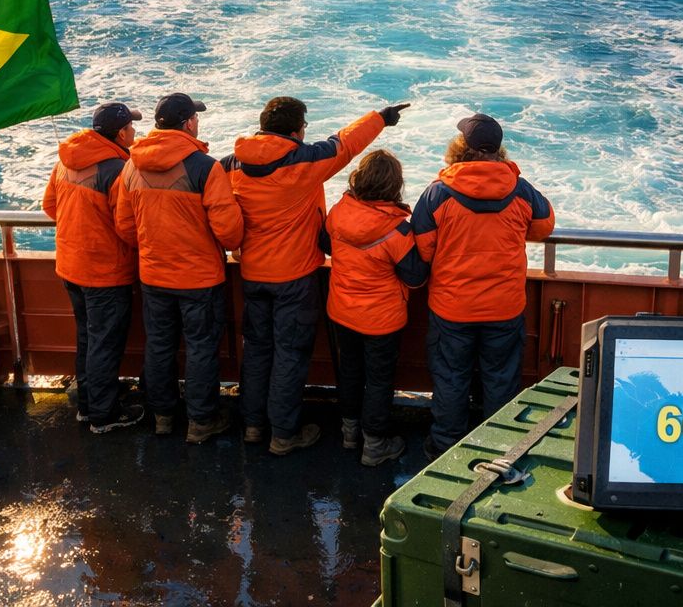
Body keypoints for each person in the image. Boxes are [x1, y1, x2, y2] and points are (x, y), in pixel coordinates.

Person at [221, 97, 407, 455]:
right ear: (296, 132)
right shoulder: (304, 161)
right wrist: (381, 118)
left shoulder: (231, 164)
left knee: (257, 351)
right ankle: (283, 434)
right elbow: (345, 144)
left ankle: (254, 426)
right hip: (295, 276)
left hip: (253, 274)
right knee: (290, 355)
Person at [412, 113, 555, 456]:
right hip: (504, 307)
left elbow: (424, 248)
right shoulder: (520, 189)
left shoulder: (438, 194)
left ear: (461, 147)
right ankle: (497, 449)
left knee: (451, 379)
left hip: (452, 308)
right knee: (501, 380)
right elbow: (543, 226)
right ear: (498, 149)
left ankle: (445, 448)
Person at [113, 93, 244, 444]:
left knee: (159, 345)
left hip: (154, 276)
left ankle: (163, 417)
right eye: (195, 118)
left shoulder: (132, 165)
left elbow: (124, 225)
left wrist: (154, 247)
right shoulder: (205, 168)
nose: (197, 122)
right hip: (199, 279)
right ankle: (201, 421)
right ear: (188, 124)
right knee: (201, 348)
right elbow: (230, 233)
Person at [43, 102, 147, 433]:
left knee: (87, 338)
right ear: (120, 134)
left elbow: (50, 206)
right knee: (104, 343)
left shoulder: (65, 160)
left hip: (70, 267)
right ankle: (103, 415)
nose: (134, 132)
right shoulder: (118, 170)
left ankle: (88, 405)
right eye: (131, 127)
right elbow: (127, 226)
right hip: (104, 272)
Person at [325, 150, 428, 466]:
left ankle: (349, 433)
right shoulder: (398, 231)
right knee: (379, 381)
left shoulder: (338, 212)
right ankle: (374, 444)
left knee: (350, 372)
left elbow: (325, 245)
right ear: (394, 186)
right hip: (381, 320)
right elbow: (415, 278)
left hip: (342, 311)